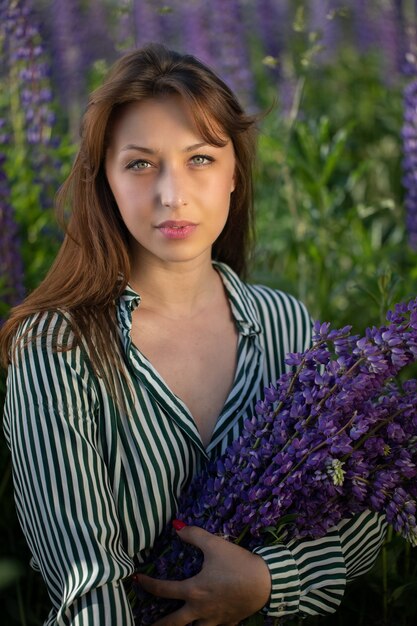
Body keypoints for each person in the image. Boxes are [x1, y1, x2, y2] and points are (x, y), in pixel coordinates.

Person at [0, 43, 387, 626]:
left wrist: (266, 582)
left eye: (200, 158)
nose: (172, 194)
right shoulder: (57, 346)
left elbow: (363, 514)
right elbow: (88, 584)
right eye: (140, 163)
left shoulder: (288, 325)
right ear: (105, 180)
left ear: (235, 172)